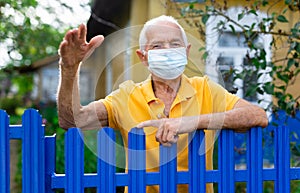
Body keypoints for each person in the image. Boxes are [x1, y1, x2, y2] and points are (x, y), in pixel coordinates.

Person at [57, 15, 268, 193]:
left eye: (175, 44)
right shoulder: (126, 95)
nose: (168, 50)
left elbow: (257, 115)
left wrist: (192, 122)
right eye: (157, 46)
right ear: (143, 57)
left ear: (186, 52)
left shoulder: (205, 89)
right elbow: (73, 119)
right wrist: (69, 69)